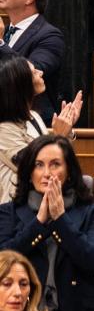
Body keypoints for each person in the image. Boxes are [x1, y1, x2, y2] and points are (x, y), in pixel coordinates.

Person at [0, 135, 94, 311]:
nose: (47, 173)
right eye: (39, 165)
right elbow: (3, 260)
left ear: (69, 171)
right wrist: (39, 222)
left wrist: (60, 219)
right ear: (29, 174)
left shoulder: (92, 212)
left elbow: (93, 259)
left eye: (55, 164)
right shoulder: (9, 212)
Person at [0, 54, 78, 202]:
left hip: (43, 199)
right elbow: (31, 167)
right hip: (15, 207)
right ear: (21, 84)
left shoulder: (34, 116)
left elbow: (59, 161)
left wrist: (67, 131)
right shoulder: (4, 130)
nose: (41, 73)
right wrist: (59, 136)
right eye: (34, 72)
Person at [0, 0, 64, 118]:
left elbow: (31, 73)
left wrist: (1, 44)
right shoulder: (6, 32)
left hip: (30, 123)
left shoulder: (50, 36)